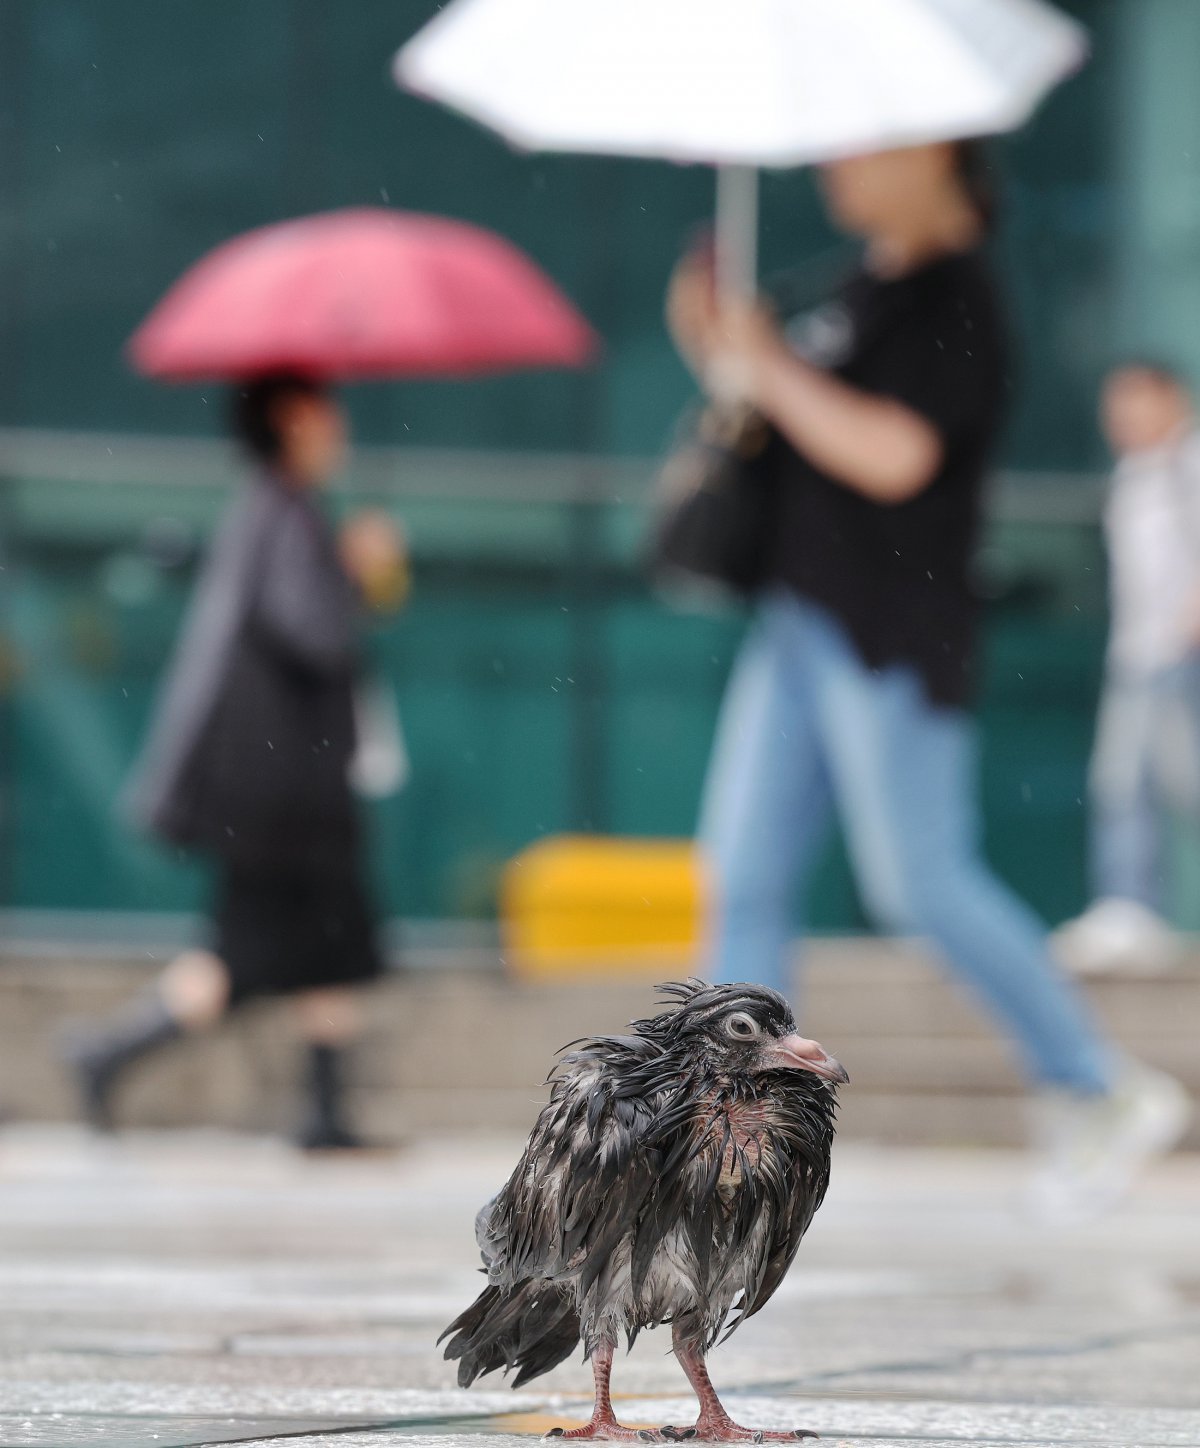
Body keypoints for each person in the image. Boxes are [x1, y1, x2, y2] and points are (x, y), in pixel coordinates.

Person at [667, 142, 1190, 1219]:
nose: (835, 166)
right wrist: (724, 342)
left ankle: (1098, 1084)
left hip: (889, 629)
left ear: (939, 152)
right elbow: (786, 423)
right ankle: (735, 1139)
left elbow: (894, 455)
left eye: (868, 144)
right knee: (745, 874)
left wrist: (770, 363)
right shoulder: (852, 291)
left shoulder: (960, 300)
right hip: (802, 619)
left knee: (921, 879)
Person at [63, 372, 407, 1150]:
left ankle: (322, 1110)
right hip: (284, 789)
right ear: (293, 418)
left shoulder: (273, 510)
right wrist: (357, 570)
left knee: (324, 939)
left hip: (284, 786)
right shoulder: (284, 514)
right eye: (328, 407)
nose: (341, 423)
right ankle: (107, 1051)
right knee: (258, 949)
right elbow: (311, 629)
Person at [1057, 362, 1200, 974]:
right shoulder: (1134, 473)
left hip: (1176, 653)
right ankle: (1129, 907)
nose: (1122, 420)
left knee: (1161, 779)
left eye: (1136, 403)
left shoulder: (1189, 462)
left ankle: (1131, 905)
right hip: (1139, 654)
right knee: (1127, 780)